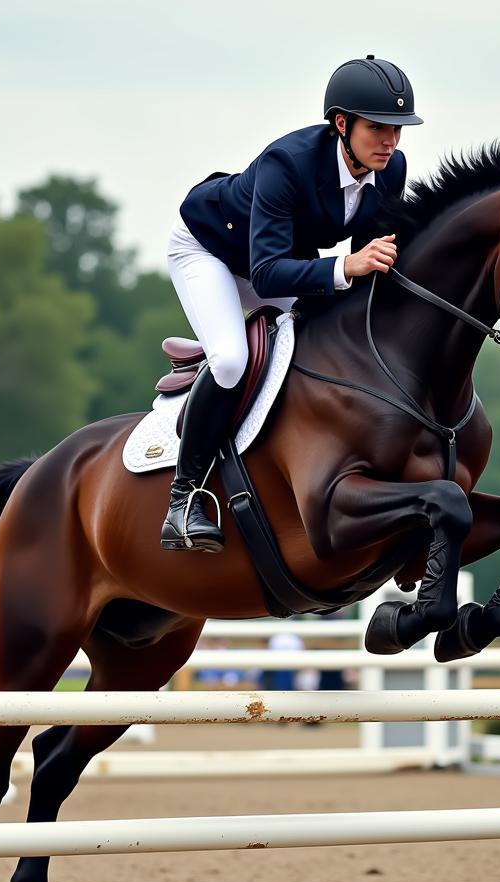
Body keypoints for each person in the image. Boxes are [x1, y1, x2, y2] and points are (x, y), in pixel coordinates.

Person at [161, 56, 421, 551]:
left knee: (331, 334)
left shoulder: (391, 170)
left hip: (279, 259)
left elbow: (373, 265)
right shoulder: (288, 163)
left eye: (397, 129)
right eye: (377, 128)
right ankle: (182, 499)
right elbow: (265, 273)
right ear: (341, 124)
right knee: (232, 360)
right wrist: (344, 267)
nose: (390, 141)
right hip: (210, 250)